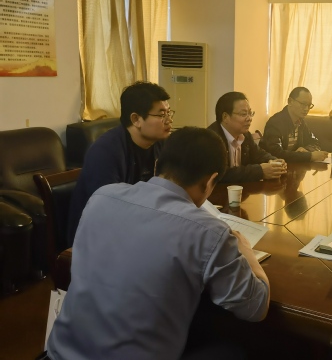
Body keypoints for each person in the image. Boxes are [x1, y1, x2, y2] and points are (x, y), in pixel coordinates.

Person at [47, 127, 270, 360]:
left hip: (60, 353)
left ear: (156, 166)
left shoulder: (102, 197)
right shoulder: (209, 233)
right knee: (232, 351)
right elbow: (255, 307)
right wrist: (246, 252)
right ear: (211, 181)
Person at [67, 81, 173, 246]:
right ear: (136, 119)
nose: (169, 120)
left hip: (140, 224)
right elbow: (109, 209)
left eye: (169, 112)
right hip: (96, 237)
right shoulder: (105, 151)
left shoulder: (162, 143)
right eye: (161, 115)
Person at [208, 92, 286, 182]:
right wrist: (260, 171)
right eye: (243, 114)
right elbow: (221, 175)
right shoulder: (211, 140)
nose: (249, 118)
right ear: (225, 117)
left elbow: (259, 154)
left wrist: (274, 161)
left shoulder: (245, 135)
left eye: (250, 113)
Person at [260, 87, 329, 163]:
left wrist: (306, 150)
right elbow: (276, 153)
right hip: (273, 167)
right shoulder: (275, 123)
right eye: (303, 104)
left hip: (292, 166)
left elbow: (316, 142)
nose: (306, 109)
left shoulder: (300, 122)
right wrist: (309, 156)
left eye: (309, 105)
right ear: (290, 102)